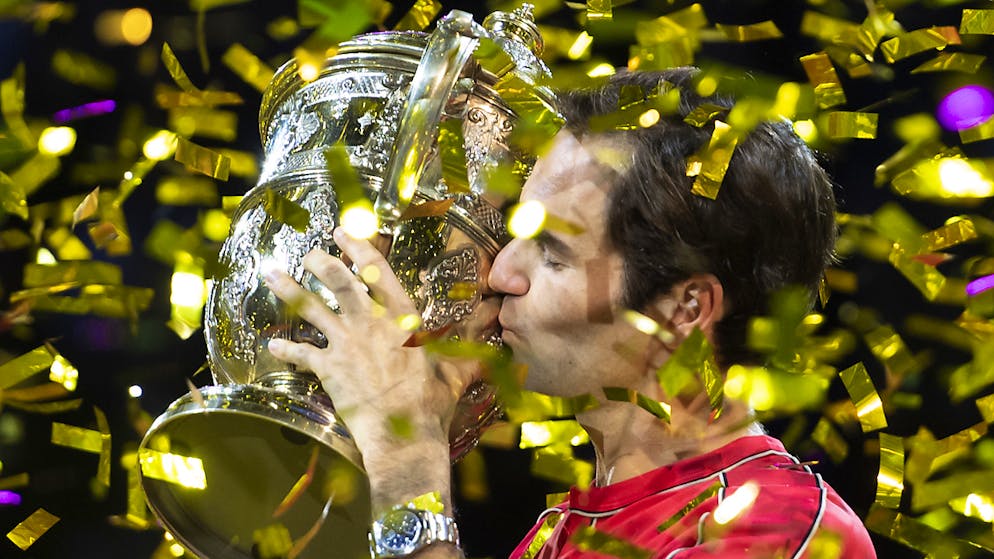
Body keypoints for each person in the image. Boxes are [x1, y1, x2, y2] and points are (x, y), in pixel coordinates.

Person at [263, 67, 877, 558]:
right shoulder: (562, 529)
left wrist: (407, 458)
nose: (502, 274)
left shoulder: (777, 529)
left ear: (684, 308)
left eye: (553, 254)